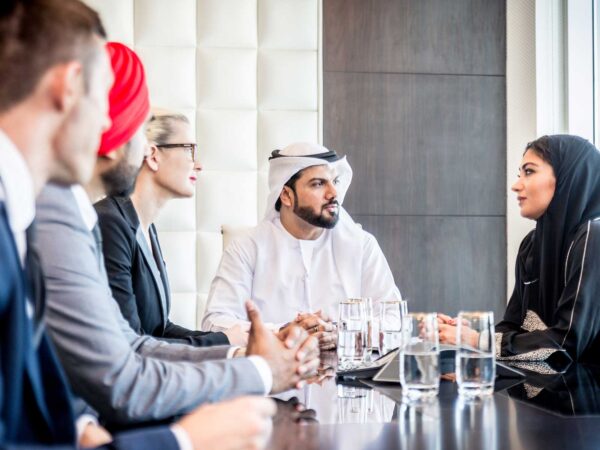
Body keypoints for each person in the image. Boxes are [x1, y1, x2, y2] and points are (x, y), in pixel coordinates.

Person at [0, 1, 275, 449]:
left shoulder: (22, 212)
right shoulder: (49, 216)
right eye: (101, 98)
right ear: (68, 86)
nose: (107, 123)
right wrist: (184, 439)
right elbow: (118, 373)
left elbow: (34, 380)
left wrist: (77, 426)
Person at [33, 41, 319, 429]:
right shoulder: (84, 218)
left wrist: (239, 355)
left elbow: (136, 342)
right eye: (189, 149)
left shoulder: (101, 218)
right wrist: (256, 370)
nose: (114, 130)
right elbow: (122, 374)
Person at [202, 142, 401, 349]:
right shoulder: (247, 248)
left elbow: (395, 320)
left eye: (335, 181)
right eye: (318, 184)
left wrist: (342, 333)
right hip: (272, 368)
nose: (333, 193)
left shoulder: (361, 245)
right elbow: (215, 323)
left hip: (346, 369)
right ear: (286, 196)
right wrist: (283, 332)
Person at [438, 135, 600, 365]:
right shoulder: (531, 245)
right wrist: (468, 334)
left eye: (529, 172)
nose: (516, 186)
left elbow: (565, 345)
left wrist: (478, 341)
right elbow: (516, 326)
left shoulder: (594, 237)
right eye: (519, 174)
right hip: (542, 385)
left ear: (568, 177)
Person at [95, 110, 246, 347]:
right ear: (153, 156)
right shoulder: (110, 223)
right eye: (189, 150)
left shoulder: (147, 228)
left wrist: (240, 339)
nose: (198, 165)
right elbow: (130, 344)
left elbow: (160, 329)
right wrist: (224, 341)